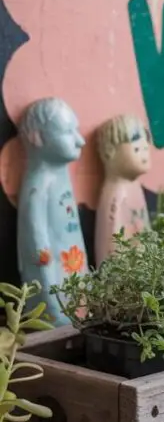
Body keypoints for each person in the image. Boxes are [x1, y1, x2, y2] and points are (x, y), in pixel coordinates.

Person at [17, 98, 87, 325]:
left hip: (73, 267)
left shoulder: (60, 177)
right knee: (56, 312)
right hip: (52, 273)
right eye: (68, 132)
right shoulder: (39, 185)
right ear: (37, 137)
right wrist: (40, 250)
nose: (80, 140)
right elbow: (36, 235)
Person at [95, 114, 151, 265]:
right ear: (110, 152)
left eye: (146, 147)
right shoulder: (116, 193)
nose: (145, 154)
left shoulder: (134, 187)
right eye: (137, 149)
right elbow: (112, 247)